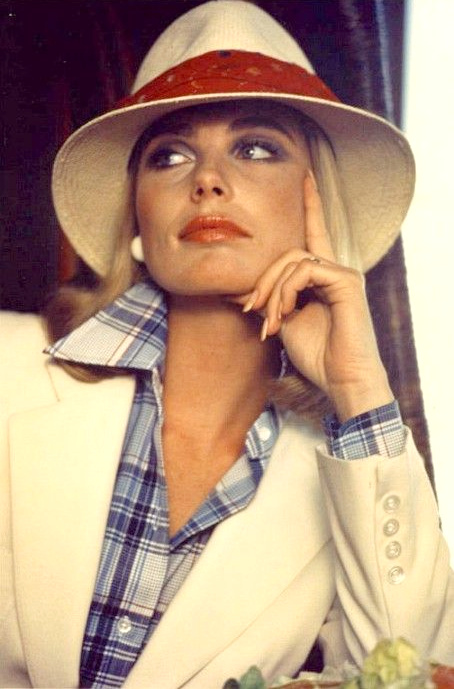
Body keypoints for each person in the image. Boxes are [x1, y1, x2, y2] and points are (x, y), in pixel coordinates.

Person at [1, 2, 453, 687]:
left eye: (256, 147)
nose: (206, 179)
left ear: (316, 206)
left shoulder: (346, 468)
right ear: (137, 216)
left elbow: (410, 669)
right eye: (170, 155)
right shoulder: (10, 369)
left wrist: (358, 390)